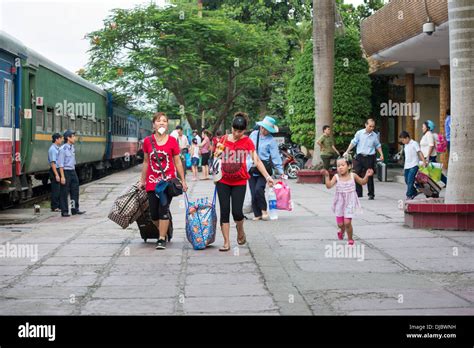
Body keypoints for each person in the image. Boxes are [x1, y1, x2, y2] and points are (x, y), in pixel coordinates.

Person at [215, 112, 274, 252]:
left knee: (237, 212)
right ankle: (226, 242)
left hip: (239, 182)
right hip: (222, 181)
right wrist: (217, 153)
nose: (236, 134)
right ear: (231, 127)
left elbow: (257, 160)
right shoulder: (223, 139)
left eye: (240, 131)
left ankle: (240, 229)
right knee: (224, 211)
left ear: (245, 130)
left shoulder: (247, 141)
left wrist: (267, 177)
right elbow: (216, 156)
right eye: (234, 130)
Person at [139, 112, 188, 250]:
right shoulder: (148, 141)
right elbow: (146, 162)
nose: (161, 123)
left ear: (167, 125)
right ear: (153, 124)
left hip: (167, 182)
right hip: (152, 182)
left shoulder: (172, 141)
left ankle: (161, 238)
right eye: (159, 121)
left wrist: (183, 180)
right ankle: (166, 227)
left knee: (163, 209)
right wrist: (142, 181)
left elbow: (177, 162)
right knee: (154, 214)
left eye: (164, 121)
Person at [321, 157, 374, 246]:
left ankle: (350, 239)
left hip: (350, 202)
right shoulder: (336, 177)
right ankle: (341, 230)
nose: (340, 167)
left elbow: (363, 182)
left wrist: (367, 175)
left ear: (349, 166)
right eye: (338, 166)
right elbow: (329, 186)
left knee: (347, 223)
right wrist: (326, 176)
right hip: (340, 203)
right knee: (340, 224)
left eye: (343, 165)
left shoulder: (353, 176)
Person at [248, 116, 284, 221]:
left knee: (259, 189)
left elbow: (275, 156)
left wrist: (280, 171)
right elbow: (247, 150)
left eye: (267, 129)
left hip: (264, 169)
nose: (264, 130)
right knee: (253, 191)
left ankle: (264, 210)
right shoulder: (253, 135)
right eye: (263, 128)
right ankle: (257, 214)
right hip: (251, 167)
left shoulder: (271, 140)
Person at [343, 119, 384, 200]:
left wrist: (381, 154)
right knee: (356, 174)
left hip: (370, 157)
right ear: (366, 125)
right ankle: (358, 193)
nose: (372, 128)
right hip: (359, 157)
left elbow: (377, 145)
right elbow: (353, 142)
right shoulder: (359, 133)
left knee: (369, 175)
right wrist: (347, 151)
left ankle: (371, 194)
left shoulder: (374, 135)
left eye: (373, 126)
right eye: (370, 126)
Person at [57, 130, 85, 217]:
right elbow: (60, 164)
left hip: (72, 171)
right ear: (68, 138)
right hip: (65, 171)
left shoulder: (72, 147)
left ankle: (74, 209)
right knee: (64, 192)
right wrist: (62, 176)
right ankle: (64, 211)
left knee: (75, 190)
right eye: (73, 136)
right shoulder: (62, 149)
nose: (75, 138)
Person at [399, 131, 427, 200]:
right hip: (407, 166)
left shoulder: (414, 143)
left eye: (403, 140)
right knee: (406, 180)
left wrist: (424, 161)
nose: (402, 142)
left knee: (410, 180)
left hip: (414, 165)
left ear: (407, 138)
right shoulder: (405, 145)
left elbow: (419, 152)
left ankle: (408, 195)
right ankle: (414, 192)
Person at [420, 120, 447, 186]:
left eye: (423, 126)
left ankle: (445, 183)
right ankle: (446, 182)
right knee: (435, 172)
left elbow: (431, 145)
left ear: (428, 127)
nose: (422, 128)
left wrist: (428, 157)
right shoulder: (426, 134)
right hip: (427, 157)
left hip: (429, 157)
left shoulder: (429, 134)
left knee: (433, 172)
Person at [48, 133, 63, 212]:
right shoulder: (52, 149)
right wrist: (56, 175)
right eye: (60, 139)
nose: (61, 140)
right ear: (56, 139)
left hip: (58, 170)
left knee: (59, 189)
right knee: (55, 190)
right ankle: (54, 206)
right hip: (55, 170)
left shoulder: (57, 148)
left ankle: (59, 205)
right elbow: (53, 163)